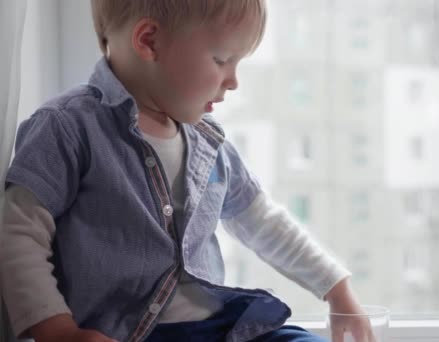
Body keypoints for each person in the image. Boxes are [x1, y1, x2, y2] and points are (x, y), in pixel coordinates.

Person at [0, 1, 376, 341]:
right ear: (149, 42)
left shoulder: (209, 144)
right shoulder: (67, 128)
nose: (233, 80)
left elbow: (263, 222)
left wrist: (337, 289)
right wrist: (58, 331)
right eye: (221, 59)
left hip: (221, 328)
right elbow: (18, 233)